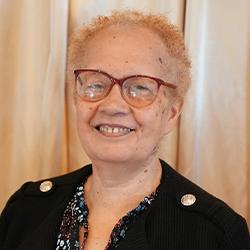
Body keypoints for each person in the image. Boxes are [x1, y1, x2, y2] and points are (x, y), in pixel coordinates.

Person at [0, 10, 249, 250]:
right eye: (96, 83)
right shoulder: (25, 209)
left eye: (140, 87)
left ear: (172, 113)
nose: (112, 105)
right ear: (76, 98)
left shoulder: (216, 234)